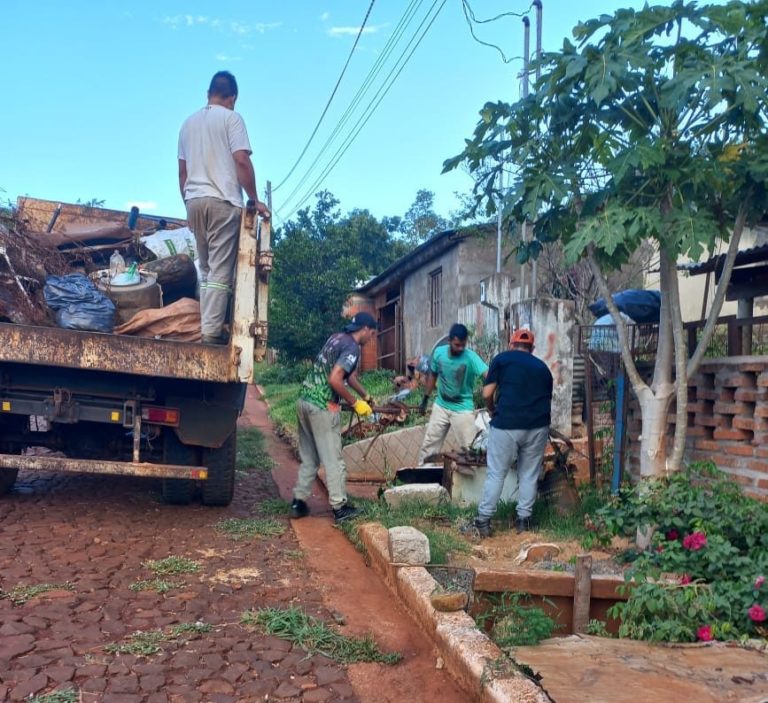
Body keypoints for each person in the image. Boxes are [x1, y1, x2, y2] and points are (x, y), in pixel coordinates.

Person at [178, 70, 270, 345]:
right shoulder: (232, 119)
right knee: (219, 273)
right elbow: (241, 160)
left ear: (208, 94)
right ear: (233, 98)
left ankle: (205, 323)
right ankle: (210, 334)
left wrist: (188, 204)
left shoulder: (187, 124)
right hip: (223, 202)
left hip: (194, 201)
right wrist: (254, 199)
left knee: (205, 269)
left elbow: (182, 173)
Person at [290, 312, 378, 524]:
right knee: (333, 459)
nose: (371, 338)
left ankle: (298, 502)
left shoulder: (337, 338)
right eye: (372, 334)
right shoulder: (353, 347)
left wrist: (366, 396)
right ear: (365, 329)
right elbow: (335, 379)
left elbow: (350, 376)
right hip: (322, 406)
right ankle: (340, 508)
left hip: (304, 401)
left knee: (310, 458)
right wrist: (355, 403)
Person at [474, 328, 553, 537]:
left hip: (507, 424)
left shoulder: (502, 359)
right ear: (532, 348)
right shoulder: (543, 368)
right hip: (538, 426)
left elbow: (487, 393)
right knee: (529, 474)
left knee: (497, 473)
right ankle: (523, 522)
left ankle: (483, 520)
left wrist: (491, 409)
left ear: (511, 344)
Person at [417, 323, 488, 464]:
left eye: (463, 345)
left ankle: (473, 482)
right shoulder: (439, 353)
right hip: (441, 406)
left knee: (471, 450)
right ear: (449, 341)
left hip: (463, 408)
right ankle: (423, 475)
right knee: (429, 446)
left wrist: (492, 395)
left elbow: (489, 375)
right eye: (457, 345)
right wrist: (425, 398)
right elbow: (433, 375)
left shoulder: (471, 358)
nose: (461, 348)